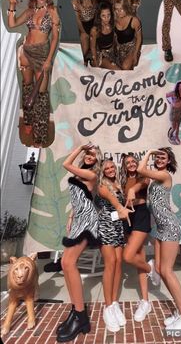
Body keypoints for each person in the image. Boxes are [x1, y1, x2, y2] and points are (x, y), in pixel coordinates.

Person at [137, 147, 181, 331]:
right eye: (158, 156)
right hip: (161, 228)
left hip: (170, 226)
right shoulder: (155, 179)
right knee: (161, 270)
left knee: (168, 271)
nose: (160, 159)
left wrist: (150, 152)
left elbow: (140, 169)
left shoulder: (164, 175)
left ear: (169, 161)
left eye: (164, 157)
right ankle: (180, 311)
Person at [56, 143, 102, 343]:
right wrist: (70, 216)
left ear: (97, 159)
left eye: (93, 155)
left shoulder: (91, 175)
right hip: (78, 218)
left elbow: (66, 163)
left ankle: (81, 316)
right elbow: (80, 199)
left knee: (68, 263)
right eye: (88, 154)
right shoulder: (81, 173)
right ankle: (76, 311)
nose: (89, 156)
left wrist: (82, 147)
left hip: (88, 221)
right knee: (66, 264)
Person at [7, 0, 60, 147]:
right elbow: (12, 23)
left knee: (41, 96)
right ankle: (28, 121)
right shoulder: (30, 11)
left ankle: (40, 136)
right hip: (26, 52)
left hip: (42, 55)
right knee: (27, 87)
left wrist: (49, 60)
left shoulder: (52, 11)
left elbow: (54, 39)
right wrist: (13, 5)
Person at [95, 159, 134, 332]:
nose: (110, 170)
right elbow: (114, 202)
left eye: (112, 167)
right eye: (107, 168)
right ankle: (107, 307)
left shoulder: (117, 183)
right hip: (105, 227)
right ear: (102, 171)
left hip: (117, 227)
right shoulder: (101, 186)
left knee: (119, 264)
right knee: (110, 265)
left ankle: (114, 303)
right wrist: (121, 209)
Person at [120, 153, 156, 322]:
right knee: (138, 257)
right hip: (128, 217)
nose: (132, 164)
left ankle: (151, 269)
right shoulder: (122, 180)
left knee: (127, 256)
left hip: (141, 214)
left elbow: (144, 183)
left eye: (134, 161)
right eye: (128, 162)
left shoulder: (143, 176)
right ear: (125, 166)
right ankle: (145, 301)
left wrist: (133, 190)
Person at [72, 0, 97, 65]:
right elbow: (77, 20)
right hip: (82, 26)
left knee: (94, 55)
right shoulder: (75, 1)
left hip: (94, 26)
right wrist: (84, 32)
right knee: (84, 53)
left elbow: (96, 15)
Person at [114, 0, 142, 70]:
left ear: (126, 8)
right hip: (119, 49)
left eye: (121, 9)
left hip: (132, 47)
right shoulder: (114, 20)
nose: (119, 11)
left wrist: (136, 53)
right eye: (116, 9)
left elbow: (139, 38)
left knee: (125, 67)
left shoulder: (134, 20)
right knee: (117, 69)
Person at [90, 1, 119, 69]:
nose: (106, 18)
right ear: (99, 16)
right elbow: (92, 47)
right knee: (117, 70)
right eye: (103, 16)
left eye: (108, 15)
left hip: (113, 53)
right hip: (101, 55)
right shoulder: (95, 30)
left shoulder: (113, 24)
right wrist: (95, 60)